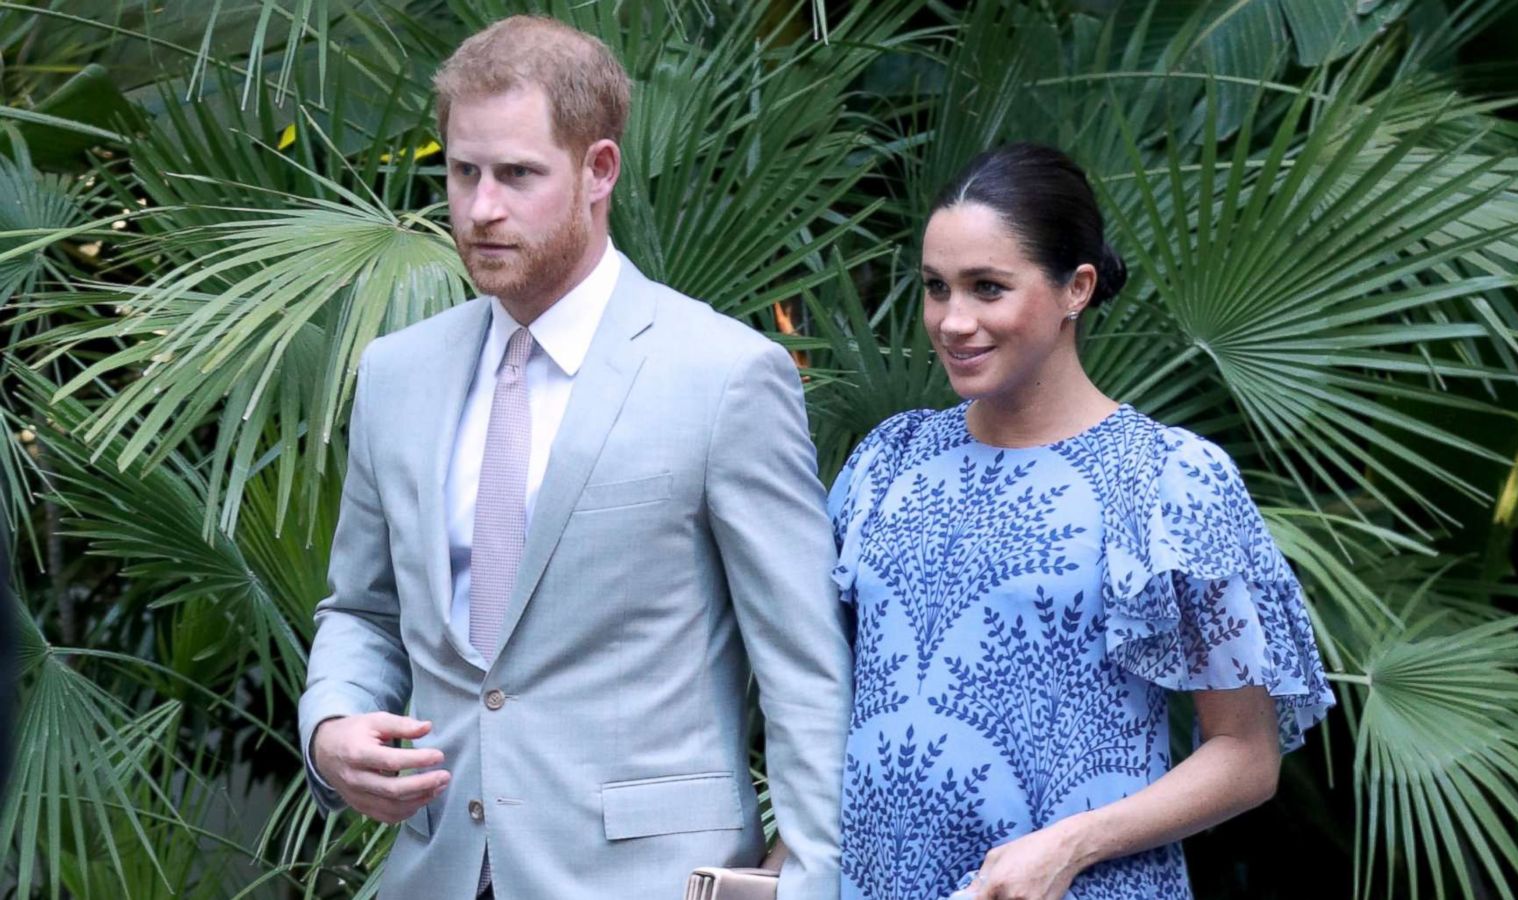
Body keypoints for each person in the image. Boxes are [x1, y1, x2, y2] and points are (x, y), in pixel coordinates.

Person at [297, 16, 851, 900]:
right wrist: (330, 726)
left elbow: (805, 672)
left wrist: (815, 885)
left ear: (600, 170)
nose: (481, 207)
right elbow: (362, 611)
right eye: (463, 171)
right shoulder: (395, 376)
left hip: (648, 877)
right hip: (435, 872)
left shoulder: (724, 376)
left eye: (518, 174)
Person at [828, 143, 1334, 900]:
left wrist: (1069, 846)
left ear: (1077, 288)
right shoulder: (887, 463)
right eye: (936, 288)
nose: (953, 321)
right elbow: (827, 699)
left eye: (988, 288)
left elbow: (1246, 754)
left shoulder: (1167, 481)